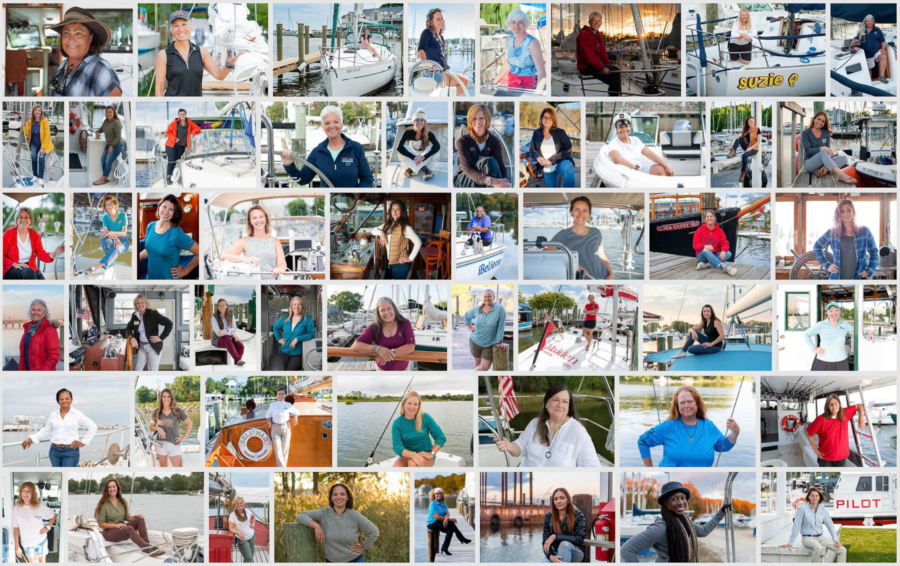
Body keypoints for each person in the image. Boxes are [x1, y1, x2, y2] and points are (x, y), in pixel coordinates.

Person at [495, 382, 601, 467]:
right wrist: (509, 446)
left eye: (565, 402)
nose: (560, 405)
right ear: (546, 403)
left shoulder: (578, 432)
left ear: (569, 406)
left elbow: (592, 466)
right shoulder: (534, 423)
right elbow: (519, 448)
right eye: (555, 400)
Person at [621, 481, 729, 562]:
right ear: (666, 503)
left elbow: (704, 531)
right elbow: (627, 550)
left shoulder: (685, 522)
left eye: (683, 498)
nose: (681, 502)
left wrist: (722, 512)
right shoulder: (660, 527)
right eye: (675, 499)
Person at [637, 386, 740, 467]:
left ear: (697, 404)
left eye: (690, 401)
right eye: (682, 403)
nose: (686, 405)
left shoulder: (709, 426)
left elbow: (724, 445)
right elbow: (642, 441)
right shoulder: (667, 426)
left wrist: (735, 432)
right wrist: (649, 468)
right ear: (677, 406)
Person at [281, 106, 374, 188]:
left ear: (342, 124)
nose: (332, 126)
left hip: (351, 204)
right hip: (327, 203)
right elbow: (303, 179)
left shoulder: (355, 148)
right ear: (323, 126)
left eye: (336, 122)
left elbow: (367, 178)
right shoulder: (317, 152)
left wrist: (357, 198)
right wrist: (289, 165)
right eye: (327, 123)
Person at [155, 10, 243, 96]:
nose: (181, 29)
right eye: (176, 25)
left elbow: (219, 75)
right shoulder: (164, 55)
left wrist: (229, 65)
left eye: (184, 24)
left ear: (190, 27)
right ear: (171, 31)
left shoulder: (202, 52)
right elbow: (159, 88)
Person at [46, 7, 121, 96]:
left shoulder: (101, 70)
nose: (71, 39)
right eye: (66, 33)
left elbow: (113, 103)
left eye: (78, 33)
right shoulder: (63, 65)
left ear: (90, 38)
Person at [296, 484, 380, 563]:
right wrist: (316, 526)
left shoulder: (355, 515)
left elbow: (374, 532)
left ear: (347, 497)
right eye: (335, 494)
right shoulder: (323, 513)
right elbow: (300, 516)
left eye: (342, 494)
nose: (338, 497)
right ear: (331, 497)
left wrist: (363, 547)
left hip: (354, 560)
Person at [21, 388, 97, 467]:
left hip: (71, 452)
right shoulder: (53, 415)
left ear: (71, 400)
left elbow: (93, 427)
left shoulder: (77, 414)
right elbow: (46, 430)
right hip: (54, 451)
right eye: (62, 399)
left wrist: (83, 442)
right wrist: (30, 439)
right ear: (58, 401)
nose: (64, 401)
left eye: (67, 398)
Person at [549, 196, 613, 280]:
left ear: (589, 214)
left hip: (603, 277)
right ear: (571, 212)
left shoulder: (596, 232)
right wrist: (571, 263)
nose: (580, 214)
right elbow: (546, 253)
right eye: (577, 209)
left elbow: (602, 256)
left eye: (584, 210)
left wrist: (611, 274)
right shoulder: (563, 235)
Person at [813, 199, 879, 280]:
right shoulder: (832, 232)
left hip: (858, 278)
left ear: (853, 212)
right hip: (836, 278)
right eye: (842, 211)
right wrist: (827, 265)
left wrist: (869, 271)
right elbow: (817, 246)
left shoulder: (864, 231)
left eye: (849, 210)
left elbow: (874, 252)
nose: (846, 214)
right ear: (838, 214)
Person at [95, 479, 163, 556]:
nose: (112, 489)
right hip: (110, 533)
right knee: (129, 528)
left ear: (117, 487)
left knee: (140, 519)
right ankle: (146, 548)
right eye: (109, 487)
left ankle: (146, 543)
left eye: (114, 486)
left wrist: (136, 516)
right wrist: (115, 525)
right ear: (107, 490)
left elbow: (127, 517)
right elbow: (100, 524)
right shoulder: (104, 504)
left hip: (122, 529)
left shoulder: (122, 501)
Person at [219, 204, 288, 279]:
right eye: (254, 218)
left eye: (261, 217)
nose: (258, 220)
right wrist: (244, 259)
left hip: (273, 283)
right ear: (250, 221)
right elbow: (223, 255)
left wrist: (279, 269)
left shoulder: (276, 241)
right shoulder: (244, 241)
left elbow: (282, 264)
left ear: (265, 218)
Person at [140, 194, 200, 279]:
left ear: (175, 213)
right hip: (150, 278)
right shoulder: (150, 226)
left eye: (171, 209)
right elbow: (149, 249)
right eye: (164, 207)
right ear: (159, 206)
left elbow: (200, 252)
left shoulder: (176, 233)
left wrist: (185, 271)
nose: (166, 212)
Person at [780, 487, 847, 560]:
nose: (814, 497)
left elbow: (830, 525)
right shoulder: (803, 509)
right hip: (807, 538)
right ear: (808, 497)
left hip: (821, 538)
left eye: (816, 496)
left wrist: (835, 539)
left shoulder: (822, 508)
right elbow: (796, 526)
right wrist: (790, 543)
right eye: (812, 495)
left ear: (819, 497)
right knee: (818, 548)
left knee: (842, 550)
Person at [351, 297, 417, 371]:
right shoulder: (374, 327)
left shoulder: (405, 323)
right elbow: (356, 346)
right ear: (378, 313)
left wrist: (388, 353)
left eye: (389, 308)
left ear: (394, 309)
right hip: (381, 370)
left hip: (404, 370)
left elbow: (410, 346)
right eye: (382, 310)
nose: (386, 312)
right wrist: (378, 349)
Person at [454, 104, 510, 188]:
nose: (477, 122)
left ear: (487, 119)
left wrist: (504, 180)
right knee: (489, 162)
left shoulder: (494, 141)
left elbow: (501, 166)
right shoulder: (463, 141)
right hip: (465, 178)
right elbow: (467, 169)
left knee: (492, 163)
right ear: (470, 120)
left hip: (486, 179)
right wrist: (490, 181)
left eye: (481, 118)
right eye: (474, 119)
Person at [804, 301, 872, 371]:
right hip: (823, 360)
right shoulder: (821, 324)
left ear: (839, 312)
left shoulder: (845, 325)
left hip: (841, 360)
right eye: (831, 311)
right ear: (827, 313)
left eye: (836, 310)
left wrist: (867, 331)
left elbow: (857, 332)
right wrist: (814, 348)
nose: (834, 313)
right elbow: (806, 334)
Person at [417, 9, 469, 95]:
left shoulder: (441, 37)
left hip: (443, 71)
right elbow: (421, 50)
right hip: (434, 73)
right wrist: (426, 64)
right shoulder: (427, 33)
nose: (441, 21)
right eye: (438, 19)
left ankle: (447, 98)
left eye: (441, 18)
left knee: (462, 82)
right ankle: (448, 98)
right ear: (431, 21)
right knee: (464, 80)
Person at [493, 10, 546, 93]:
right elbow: (507, 64)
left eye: (520, 22)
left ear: (525, 24)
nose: (516, 26)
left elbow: (542, 72)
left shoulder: (532, 43)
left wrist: (538, 92)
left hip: (526, 85)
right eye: (513, 22)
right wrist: (494, 82)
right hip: (511, 81)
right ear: (509, 24)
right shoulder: (508, 40)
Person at [3, 207, 64, 279]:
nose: (23, 219)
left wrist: (54, 253)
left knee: (41, 281)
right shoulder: (8, 234)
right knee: (29, 273)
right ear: (17, 220)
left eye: (26, 217)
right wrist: (14, 264)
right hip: (12, 268)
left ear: (30, 220)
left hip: (31, 267)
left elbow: (41, 254)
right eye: (20, 217)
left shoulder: (34, 235)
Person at [805, 394, 865, 467]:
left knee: (840, 477)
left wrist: (860, 418)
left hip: (842, 457)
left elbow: (860, 406)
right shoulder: (821, 419)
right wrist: (815, 450)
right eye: (831, 404)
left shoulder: (845, 413)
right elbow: (808, 433)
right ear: (827, 406)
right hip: (826, 458)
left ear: (839, 404)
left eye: (836, 403)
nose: (834, 406)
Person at [608, 113, 675, 176]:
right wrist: (637, 169)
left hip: (639, 168)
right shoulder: (613, 143)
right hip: (627, 172)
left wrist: (666, 166)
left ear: (630, 128)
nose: (624, 129)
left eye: (626, 126)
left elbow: (650, 154)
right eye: (620, 127)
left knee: (662, 169)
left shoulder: (635, 140)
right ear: (616, 129)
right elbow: (618, 160)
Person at [391, 391, 446, 468]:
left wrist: (431, 453)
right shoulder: (397, 423)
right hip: (408, 455)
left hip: (425, 455)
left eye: (415, 404)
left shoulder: (425, 417)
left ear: (419, 406)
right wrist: (413, 455)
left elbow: (440, 437)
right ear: (403, 404)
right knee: (395, 470)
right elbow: (396, 446)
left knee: (412, 463)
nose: (412, 407)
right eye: (409, 403)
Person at [801, 111, 856, 184]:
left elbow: (827, 152)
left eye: (823, 121)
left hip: (823, 163)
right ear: (814, 119)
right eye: (819, 119)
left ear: (824, 124)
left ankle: (823, 170)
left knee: (844, 158)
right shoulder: (805, 133)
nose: (820, 122)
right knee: (823, 152)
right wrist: (822, 148)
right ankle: (841, 175)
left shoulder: (826, 133)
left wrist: (827, 155)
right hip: (810, 163)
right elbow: (808, 151)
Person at [371, 201, 422, 280]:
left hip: (400, 264)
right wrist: (381, 233)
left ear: (402, 211)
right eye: (393, 209)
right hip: (389, 263)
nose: (394, 212)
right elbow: (373, 230)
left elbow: (418, 242)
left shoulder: (405, 227)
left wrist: (410, 258)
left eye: (397, 209)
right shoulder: (388, 225)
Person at [576, 12, 622, 96]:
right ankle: (614, 97)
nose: (597, 23)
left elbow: (603, 53)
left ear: (601, 23)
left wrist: (607, 65)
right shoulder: (583, 35)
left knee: (615, 70)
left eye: (599, 21)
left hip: (594, 65)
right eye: (594, 20)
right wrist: (602, 67)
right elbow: (588, 56)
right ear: (589, 22)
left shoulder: (598, 35)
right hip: (586, 66)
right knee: (615, 75)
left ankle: (615, 96)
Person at [126, 294, 174, 371]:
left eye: (142, 302)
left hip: (153, 347)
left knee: (153, 370)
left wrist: (161, 337)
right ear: (135, 305)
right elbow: (128, 328)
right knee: (137, 369)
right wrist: (132, 337)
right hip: (142, 347)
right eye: (138, 303)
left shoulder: (153, 313)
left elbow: (169, 323)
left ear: (146, 303)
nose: (140, 305)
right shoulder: (135, 316)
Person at [530, 107, 575, 188]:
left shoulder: (560, 132)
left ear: (553, 120)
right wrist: (539, 158)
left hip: (560, 162)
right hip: (546, 167)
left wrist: (551, 160)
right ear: (541, 118)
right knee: (552, 189)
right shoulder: (536, 133)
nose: (547, 120)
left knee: (568, 167)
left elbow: (568, 149)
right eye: (545, 117)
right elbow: (532, 149)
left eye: (550, 118)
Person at [464, 289, 508, 371]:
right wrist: (470, 327)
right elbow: (466, 316)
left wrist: (500, 342)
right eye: (485, 296)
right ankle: (475, 381)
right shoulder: (477, 309)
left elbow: (501, 326)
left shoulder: (500, 309)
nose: (487, 298)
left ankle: (472, 374)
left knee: (484, 367)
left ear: (493, 297)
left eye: (489, 296)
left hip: (489, 344)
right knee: (477, 364)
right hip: (475, 341)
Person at [13, 482, 57, 564]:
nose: (25, 493)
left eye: (28, 491)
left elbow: (54, 515)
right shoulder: (16, 509)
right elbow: (16, 528)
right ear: (20, 492)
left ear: (33, 493)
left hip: (41, 541)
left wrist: (48, 528)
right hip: (27, 544)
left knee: (42, 562)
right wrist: (17, 547)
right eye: (23, 490)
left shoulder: (39, 507)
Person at [86, 195, 129, 276]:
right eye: (107, 204)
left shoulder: (123, 215)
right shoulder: (105, 217)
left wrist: (112, 234)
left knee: (116, 248)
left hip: (123, 241)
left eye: (111, 203)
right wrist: (113, 236)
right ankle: (107, 262)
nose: (109, 206)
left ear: (115, 204)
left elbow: (124, 233)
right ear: (105, 206)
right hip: (111, 239)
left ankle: (95, 267)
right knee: (103, 239)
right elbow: (105, 233)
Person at [270, 296, 316, 371]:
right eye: (294, 304)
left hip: (298, 353)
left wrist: (298, 338)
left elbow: (312, 334)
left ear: (302, 306)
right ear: (291, 306)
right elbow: (275, 327)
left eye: (299, 304)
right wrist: (278, 339)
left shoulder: (306, 318)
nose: (296, 307)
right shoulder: (286, 317)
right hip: (284, 351)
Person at [149, 388, 191, 467]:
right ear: (161, 398)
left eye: (168, 397)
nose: (166, 399)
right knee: (164, 468)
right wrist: (158, 428)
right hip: (160, 444)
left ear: (171, 398)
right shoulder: (156, 412)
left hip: (174, 444)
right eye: (164, 397)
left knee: (178, 468)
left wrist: (183, 437)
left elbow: (189, 423)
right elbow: (151, 427)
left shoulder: (178, 411)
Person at [541, 488, 586, 563]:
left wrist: (555, 536)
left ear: (568, 500)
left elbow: (579, 539)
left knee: (564, 545)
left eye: (562, 498)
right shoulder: (548, 517)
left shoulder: (578, 515)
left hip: (575, 552)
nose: (558, 501)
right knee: (544, 563)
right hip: (555, 552)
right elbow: (545, 542)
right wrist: (551, 556)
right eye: (555, 499)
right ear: (553, 502)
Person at [17, 299, 61, 372]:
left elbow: (54, 356)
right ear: (30, 312)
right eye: (33, 310)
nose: (35, 313)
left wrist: (42, 372)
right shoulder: (28, 328)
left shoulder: (50, 330)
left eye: (39, 310)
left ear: (44, 313)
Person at [396, 109, 440, 181]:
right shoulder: (408, 132)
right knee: (403, 149)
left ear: (425, 122)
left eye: (422, 120)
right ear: (413, 122)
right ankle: (427, 171)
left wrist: (422, 157)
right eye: (417, 120)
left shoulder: (429, 134)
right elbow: (399, 147)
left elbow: (437, 146)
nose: (419, 122)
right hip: (411, 159)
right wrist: (414, 157)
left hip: (424, 160)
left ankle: (410, 170)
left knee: (433, 148)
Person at [427, 487, 471, 557]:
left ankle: (444, 548)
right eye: (437, 493)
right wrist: (448, 519)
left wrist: (446, 518)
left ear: (442, 494)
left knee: (450, 530)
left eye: (440, 493)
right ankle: (462, 538)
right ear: (434, 495)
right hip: (433, 523)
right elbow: (437, 517)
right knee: (451, 523)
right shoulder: (433, 504)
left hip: (441, 522)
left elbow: (447, 513)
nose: (439, 495)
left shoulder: (443, 504)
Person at [163, 109, 201, 186]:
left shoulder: (189, 123)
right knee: (171, 160)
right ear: (179, 115)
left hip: (182, 146)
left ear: (185, 114)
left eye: (183, 114)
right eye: (180, 114)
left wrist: (192, 133)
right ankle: (168, 178)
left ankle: (170, 173)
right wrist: (174, 138)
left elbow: (198, 129)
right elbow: (168, 132)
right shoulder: (174, 123)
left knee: (175, 160)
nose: (182, 115)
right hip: (171, 145)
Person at [266, 388, 303, 467]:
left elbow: (296, 411)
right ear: (277, 395)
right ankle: (282, 468)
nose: (281, 395)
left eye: (282, 394)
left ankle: (282, 468)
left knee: (285, 450)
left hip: (286, 428)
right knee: (278, 450)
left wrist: (296, 417)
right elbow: (268, 414)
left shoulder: (288, 405)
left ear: (285, 395)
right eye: (279, 394)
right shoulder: (272, 405)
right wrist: (268, 420)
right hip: (275, 428)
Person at [693, 209, 736, 275]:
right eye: (707, 216)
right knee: (706, 250)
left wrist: (723, 251)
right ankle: (724, 267)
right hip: (702, 256)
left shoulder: (719, 231)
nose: (709, 218)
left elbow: (725, 243)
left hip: (714, 254)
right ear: (705, 219)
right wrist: (705, 246)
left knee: (728, 253)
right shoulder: (700, 230)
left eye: (711, 216)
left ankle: (707, 265)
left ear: (714, 218)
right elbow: (695, 245)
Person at [849, 14, 888, 83]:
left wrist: (883, 49)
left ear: (873, 22)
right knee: (869, 69)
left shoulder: (877, 30)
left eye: (871, 21)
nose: (869, 22)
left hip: (877, 51)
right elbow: (857, 39)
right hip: (867, 53)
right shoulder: (862, 31)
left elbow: (882, 41)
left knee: (883, 57)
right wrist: (854, 41)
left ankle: (881, 77)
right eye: (868, 21)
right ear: (865, 22)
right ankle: (869, 82)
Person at [92, 106, 125, 186]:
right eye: (107, 112)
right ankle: (105, 178)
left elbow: (118, 137)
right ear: (106, 113)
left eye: (111, 112)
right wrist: (97, 132)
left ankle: (103, 178)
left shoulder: (116, 122)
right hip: (109, 144)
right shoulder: (106, 121)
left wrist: (112, 146)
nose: (109, 113)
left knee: (107, 162)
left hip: (117, 145)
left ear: (114, 113)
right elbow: (102, 129)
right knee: (102, 160)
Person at [22, 104, 53, 186]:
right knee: (34, 158)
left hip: (43, 145)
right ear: (33, 112)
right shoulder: (30, 121)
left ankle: (40, 178)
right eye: (35, 110)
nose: (37, 112)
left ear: (41, 112)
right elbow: (27, 133)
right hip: (34, 143)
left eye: (39, 110)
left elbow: (47, 135)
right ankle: (35, 175)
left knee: (42, 158)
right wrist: (24, 126)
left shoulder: (45, 121)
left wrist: (43, 147)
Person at [211, 298, 246, 366]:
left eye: (223, 305)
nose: (222, 307)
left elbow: (234, 328)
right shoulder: (214, 317)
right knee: (226, 337)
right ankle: (237, 359)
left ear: (226, 306)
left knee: (240, 345)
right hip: (218, 340)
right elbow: (219, 333)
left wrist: (227, 330)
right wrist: (231, 332)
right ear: (218, 307)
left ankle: (238, 361)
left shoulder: (231, 315)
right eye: (220, 305)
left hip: (229, 338)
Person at [229, 497, 257, 563]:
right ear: (235, 505)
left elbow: (253, 517)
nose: (239, 504)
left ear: (243, 503)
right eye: (237, 503)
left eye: (240, 503)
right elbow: (231, 528)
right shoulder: (232, 515)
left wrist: (253, 524)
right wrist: (239, 533)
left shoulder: (248, 511)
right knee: (249, 558)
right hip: (242, 538)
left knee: (249, 557)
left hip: (251, 536)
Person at [736, 116, 761, 183]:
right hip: (747, 147)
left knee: (744, 156)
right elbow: (744, 139)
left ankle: (742, 173)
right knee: (738, 139)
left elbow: (758, 142)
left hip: (754, 148)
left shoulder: (757, 129)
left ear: (754, 122)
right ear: (747, 122)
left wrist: (750, 148)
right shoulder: (747, 129)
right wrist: (739, 137)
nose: (750, 122)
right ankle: (733, 151)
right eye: (749, 121)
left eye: (752, 121)